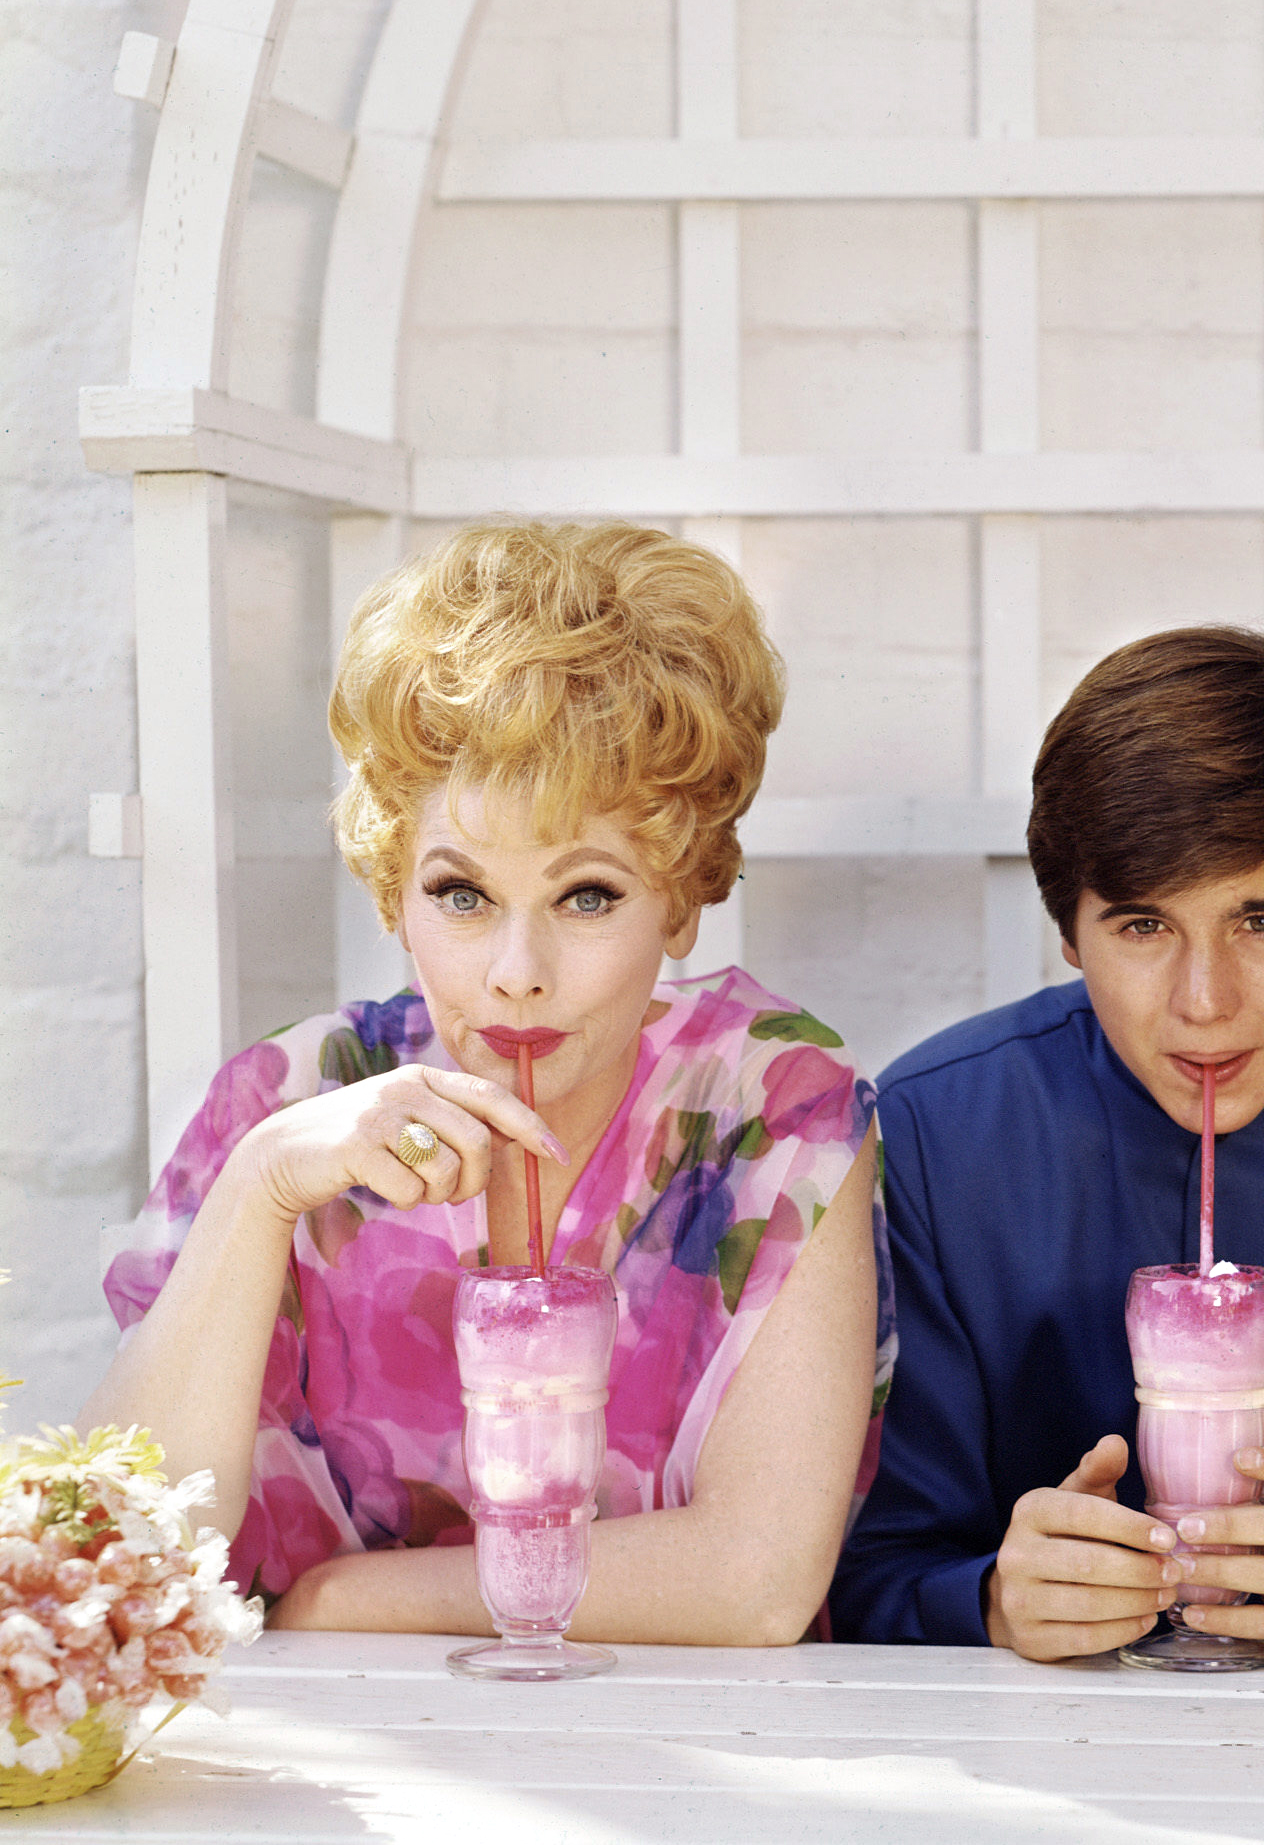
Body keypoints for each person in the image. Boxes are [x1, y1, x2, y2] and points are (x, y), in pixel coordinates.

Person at [93, 523, 890, 1643]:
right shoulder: (288, 1097)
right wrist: (264, 1182)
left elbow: (756, 1579)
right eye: (462, 893)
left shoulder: (771, 1110)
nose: (518, 975)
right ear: (391, 889)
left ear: (686, 894)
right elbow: (121, 1546)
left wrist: (338, 1599)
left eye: (588, 895)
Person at [828, 626, 1264, 1660]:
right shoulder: (936, 1135)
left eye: (1262, 922)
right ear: (1068, 932)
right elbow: (862, 1572)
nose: (1205, 1003)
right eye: (1142, 926)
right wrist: (990, 1599)